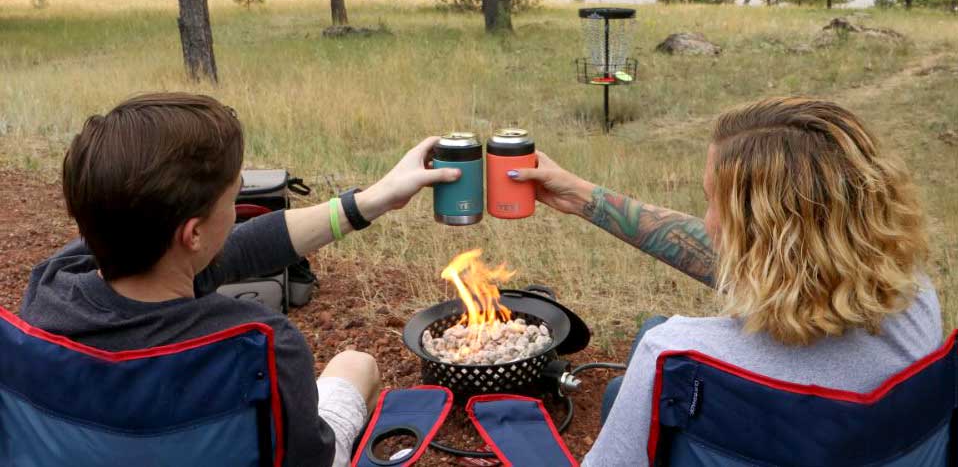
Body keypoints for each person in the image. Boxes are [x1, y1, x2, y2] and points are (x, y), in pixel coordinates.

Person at [19, 92, 461, 467]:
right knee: (355, 366)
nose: (236, 216)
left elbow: (236, 248)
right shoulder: (256, 347)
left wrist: (368, 201)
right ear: (192, 234)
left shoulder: (50, 291)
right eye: (233, 200)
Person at [509, 97, 938, 466]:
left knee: (630, 380)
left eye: (712, 202)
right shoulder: (917, 298)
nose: (707, 221)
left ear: (762, 235)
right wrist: (583, 196)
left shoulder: (680, 355)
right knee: (648, 336)